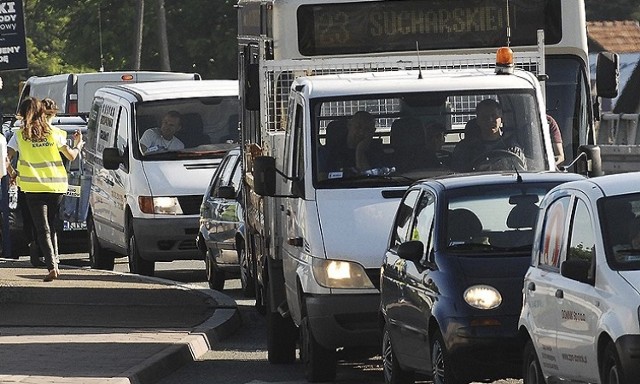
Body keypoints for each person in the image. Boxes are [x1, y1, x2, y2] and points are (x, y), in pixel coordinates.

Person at [7, 97, 84, 282]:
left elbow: (5, 158)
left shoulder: (19, 135)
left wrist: (13, 173)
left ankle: (52, 266)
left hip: (32, 187)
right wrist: (79, 144)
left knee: (42, 228)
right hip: (56, 186)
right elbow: (71, 156)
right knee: (52, 225)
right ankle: (55, 260)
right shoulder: (55, 133)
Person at [450, 99, 525, 172]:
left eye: (494, 115)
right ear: (478, 120)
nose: (490, 120)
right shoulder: (465, 149)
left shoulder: (513, 149)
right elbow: (456, 177)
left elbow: (522, 178)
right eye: (484, 117)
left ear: (501, 118)